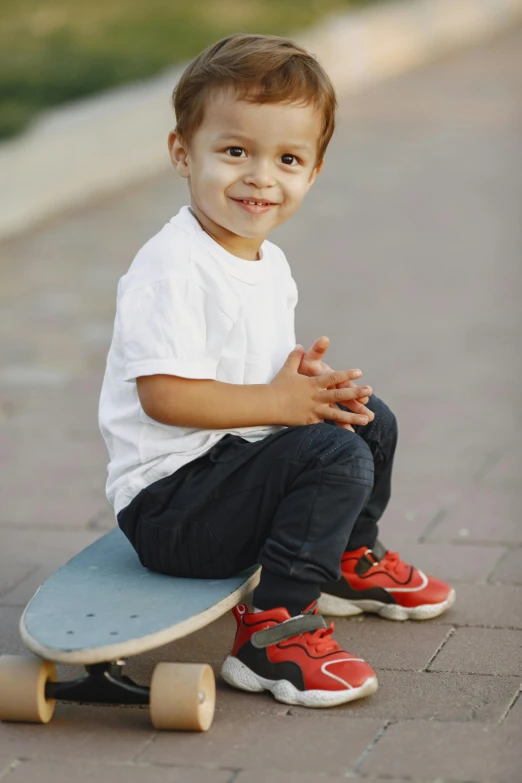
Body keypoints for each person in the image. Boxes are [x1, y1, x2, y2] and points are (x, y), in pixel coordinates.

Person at [99, 33, 455, 709]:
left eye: (287, 158)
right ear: (183, 153)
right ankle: (273, 629)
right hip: (172, 508)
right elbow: (166, 397)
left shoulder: (266, 259)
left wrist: (303, 386)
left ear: (312, 172)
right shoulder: (172, 267)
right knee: (332, 455)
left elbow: (255, 381)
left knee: (368, 419)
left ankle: (346, 563)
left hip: (228, 467)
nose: (261, 175)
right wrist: (282, 403)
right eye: (235, 151)